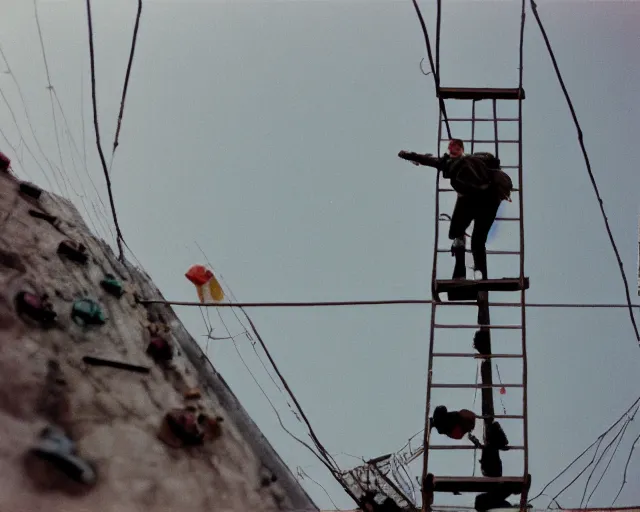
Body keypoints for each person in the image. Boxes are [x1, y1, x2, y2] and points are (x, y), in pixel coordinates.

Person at [398, 139, 510, 280]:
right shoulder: (464, 163)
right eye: (451, 147)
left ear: (460, 149)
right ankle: (471, 270)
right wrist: (410, 156)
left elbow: (429, 160)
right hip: (483, 200)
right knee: (467, 237)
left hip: (480, 200)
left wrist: (409, 156)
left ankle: (470, 272)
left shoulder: (462, 162)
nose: (453, 149)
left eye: (455, 147)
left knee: (469, 238)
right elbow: (428, 160)